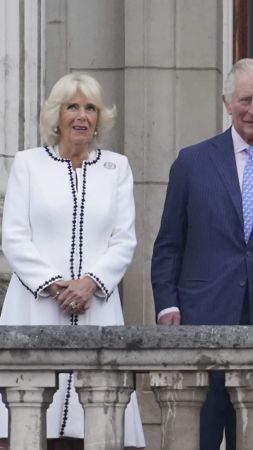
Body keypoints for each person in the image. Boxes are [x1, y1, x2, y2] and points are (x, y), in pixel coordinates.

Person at [151, 58, 253, 450]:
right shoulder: (192, 162)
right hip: (202, 322)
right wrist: (166, 305)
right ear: (227, 102)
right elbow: (169, 244)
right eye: (245, 100)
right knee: (200, 439)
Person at [0, 74, 145, 449]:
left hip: (96, 306)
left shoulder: (117, 167)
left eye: (90, 108)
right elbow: (14, 236)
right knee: (29, 426)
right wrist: (55, 285)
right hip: (36, 307)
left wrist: (89, 283)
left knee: (96, 427)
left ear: (99, 118)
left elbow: (124, 238)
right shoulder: (28, 164)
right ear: (57, 115)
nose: (82, 116)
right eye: (72, 107)